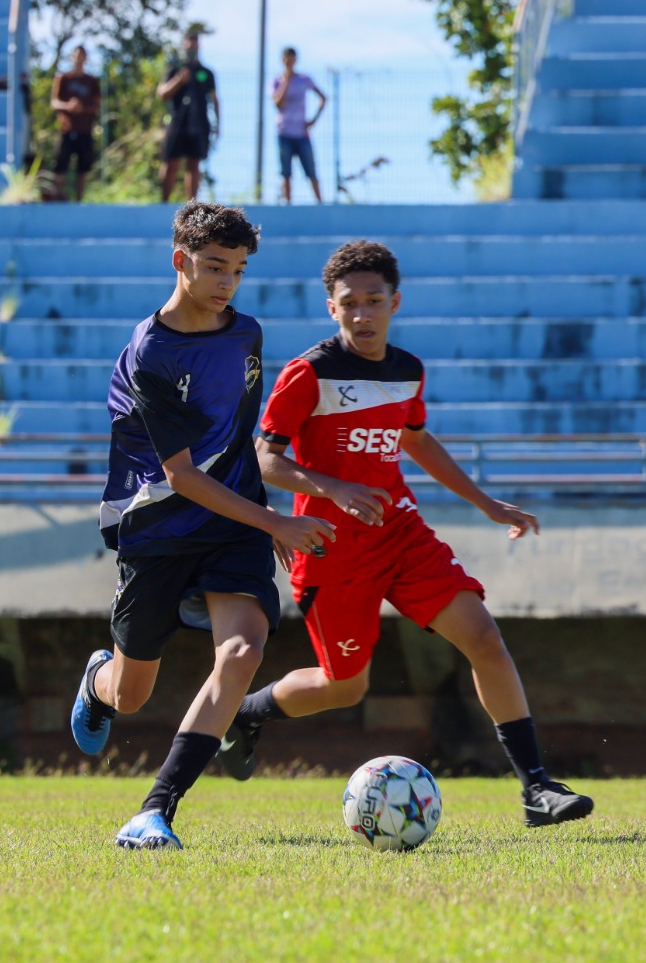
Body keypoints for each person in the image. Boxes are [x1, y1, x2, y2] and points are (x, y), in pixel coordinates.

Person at [218, 240, 594, 828]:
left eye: (374, 301)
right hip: (331, 547)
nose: (363, 314)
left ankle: (537, 789)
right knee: (345, 688)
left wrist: (486, 502)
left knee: (484, 639)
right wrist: (333, 489)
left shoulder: (407, 371)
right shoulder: (308, 374)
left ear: (396, 301)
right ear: (331, 309)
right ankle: (247, 713)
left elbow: (416, 441)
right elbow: (263, 460)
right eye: (350, 304)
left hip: (400, 532)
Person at [69, 202, 336, 851]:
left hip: (232, 522)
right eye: (214, 266)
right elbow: (183, 476)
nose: (226, 283)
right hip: (158, 529)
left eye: (238, 271)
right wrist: (274, 517)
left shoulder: (245, 334)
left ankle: (156, 810)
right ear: (179, 260)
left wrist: (264, 519)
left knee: (243, 652)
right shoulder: (149, 354)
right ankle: (96, 680)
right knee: (131, 696)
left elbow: (237, 440)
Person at [157, 29, 218, 203]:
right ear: (184, 44)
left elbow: (215, 99)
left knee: (193, 165)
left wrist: (218, 124)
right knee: (170, 164)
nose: (191, 45)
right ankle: (164, 203)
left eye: (195, 42)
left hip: (198, 125)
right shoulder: (174, 69)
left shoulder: (206, 73)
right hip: (176, 124)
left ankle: (192, 207)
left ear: (199, 45)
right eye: (188, 42)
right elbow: (161, 93)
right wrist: (178, 80)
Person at [271, 47, 326, 204]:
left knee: (311, 171)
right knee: (286, 173)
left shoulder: (304, 80)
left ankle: (320, 203)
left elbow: (323, 98)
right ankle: (288, 204)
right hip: (284, 133)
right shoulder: (276, 81)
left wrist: (313, 120)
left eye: (292, 58)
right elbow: (277, 104)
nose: (289, 62)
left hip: (302, 134)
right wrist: (286, 80)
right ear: (283, 60)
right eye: (287, 58)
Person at [50, 45, 101, 201]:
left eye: (82, 55)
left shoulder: (92, 81)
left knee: (83, 168)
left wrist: (82, 108)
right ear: (72, 56)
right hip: (66, 129)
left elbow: (97, 105)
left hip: (84, 130)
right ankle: (58, 197)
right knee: (61, 165)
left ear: (86, 58)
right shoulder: (63, 79)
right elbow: (54, 102)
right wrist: (68, 106)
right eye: (76, 54)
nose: (79, 58)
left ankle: (79, 200)